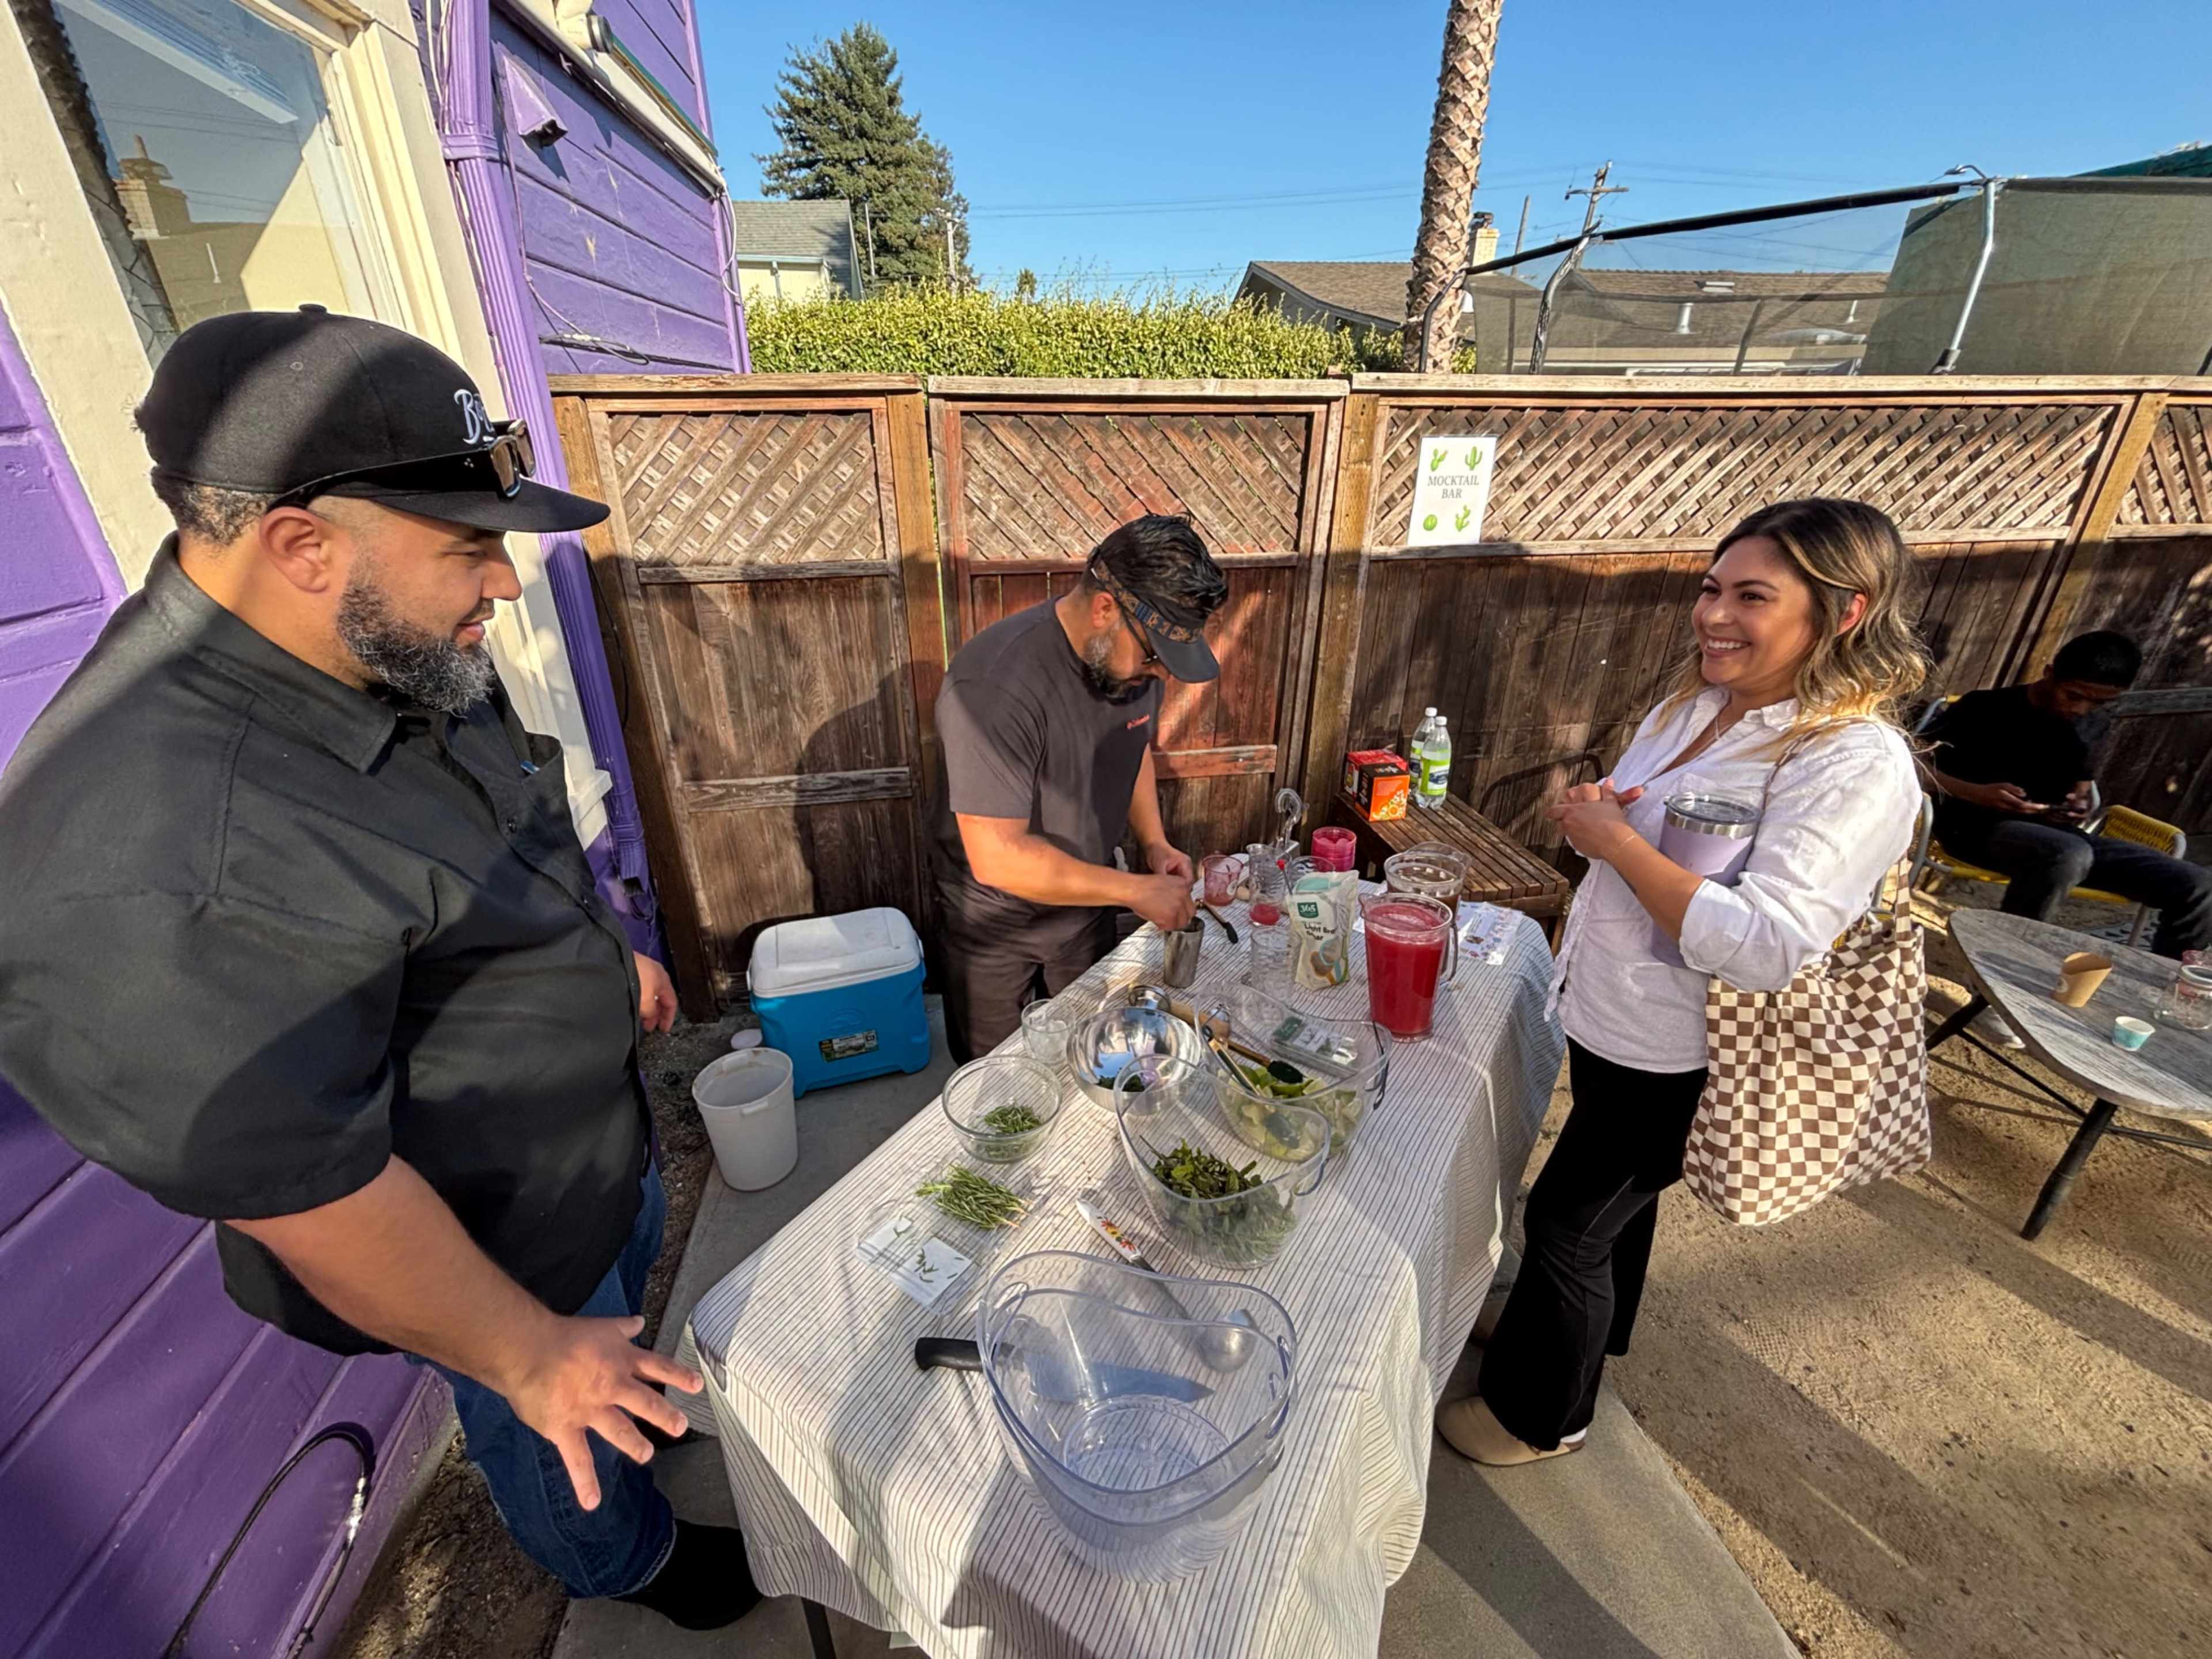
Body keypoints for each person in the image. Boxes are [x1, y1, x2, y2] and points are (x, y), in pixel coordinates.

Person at [0, 310, 754, 1630]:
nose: (505, 586)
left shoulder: (384, 638)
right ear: (299, 544)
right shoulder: (167, 838)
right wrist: (525, 1355)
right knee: (554, 1417)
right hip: (491, 1247)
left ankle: (612, 1404)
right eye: (472, 548)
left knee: (614, 1344)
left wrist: (604, 957)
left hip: (589, 1141)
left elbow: (488, 838)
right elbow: (308, 1186)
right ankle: (622, 1559)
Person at [1440, 498, 1927, 1468]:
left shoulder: (1851, 762)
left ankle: (1544, 1416)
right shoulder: (1700, 707)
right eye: (1712, 589)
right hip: (1621, 1018)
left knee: (1568, 1223)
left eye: (1753, 596)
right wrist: (1612, 815)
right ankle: (1582, 1330)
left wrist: (1617, 843)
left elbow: (1767, 945)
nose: (1715, 615)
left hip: (1694, 1053)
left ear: (1845, 612)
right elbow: (1654, 841)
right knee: (1612, 1204)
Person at [930, 514, 1228, 1063]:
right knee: (998, 1083)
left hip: (1086, 903)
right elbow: (997, 857)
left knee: (1089, 1057)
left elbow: (1133, 747)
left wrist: (1154, 843)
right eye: (1154, 657)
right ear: (1105, 608)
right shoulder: (996, 684)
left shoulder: (1131, 669)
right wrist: (1134, 891)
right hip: (996, 922)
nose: (1159, 676)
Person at [1923, 631, 2211, 967]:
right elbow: (1912, 764)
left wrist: (2077, 806)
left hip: (2064, 843)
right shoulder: (1983, 707)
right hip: (1973, 829)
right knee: (2068, 853)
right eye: (2073, 695)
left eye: (2099, 702)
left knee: (2200, 886)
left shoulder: (2083, 725)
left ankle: (2165, 987)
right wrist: (1977, 793)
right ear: (2049, 673)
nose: (2081, 709)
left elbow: (2083, 791)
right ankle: (2005, 967)